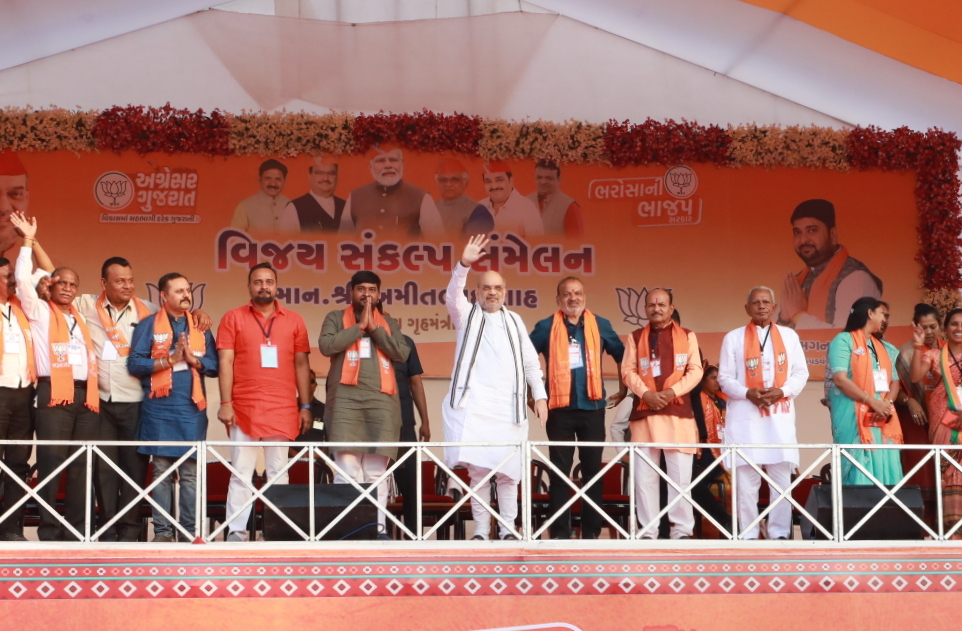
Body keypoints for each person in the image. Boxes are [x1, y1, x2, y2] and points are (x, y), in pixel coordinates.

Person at [442, 235, 548, 540]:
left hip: (507, 409)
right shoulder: (465, 315)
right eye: (486, 287)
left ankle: (506, 530)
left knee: (508, 473)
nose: (492, 292)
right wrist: (463, 265)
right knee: (478, 473)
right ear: (476, 292)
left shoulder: (515, 321)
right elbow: (451, 296)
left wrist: (539, 397)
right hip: (474, 407)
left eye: (497, 288)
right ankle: (481, 532)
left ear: (505, 292)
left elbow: (531, 364)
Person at [14, 215, 99, 541]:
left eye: (73, 284)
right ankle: (49, 531)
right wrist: (28, 242)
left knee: (82, 467)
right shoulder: (38, 310)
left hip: (85, 397)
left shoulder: (81, 314)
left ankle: (79, 531)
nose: (67, 287)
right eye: (61, 282)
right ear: (51, 286)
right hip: (53, 395)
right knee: (51, 464)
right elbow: (24, 279)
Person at [216, 262, 312, 542]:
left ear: (276, 285)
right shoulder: (233, 318)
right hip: (243, 406)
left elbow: (302, 365)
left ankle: (277, 532)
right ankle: (236, 532)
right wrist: (225, 401)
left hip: (282, 406)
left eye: (269, 281)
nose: (264, 286)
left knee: (278, 473)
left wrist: (304, 406)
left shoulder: (294, 320)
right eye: (258, 282)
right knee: (241, 472)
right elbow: (225, 361)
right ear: (249, 286)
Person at [529, 276, 625, 539]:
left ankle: (591, 532)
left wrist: (624, 388)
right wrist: (533, 396)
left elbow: (622, 355)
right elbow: (525, 358)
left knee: (592, 471)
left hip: (592, 409)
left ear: (584, 296)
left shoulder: (601, 325)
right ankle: (560, 533)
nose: (573, 298)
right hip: (558, 410)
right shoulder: (546, 326)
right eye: (567, 294)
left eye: (577, 293)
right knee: (560, 471)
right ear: (559, 300)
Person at [319, 271, 410, 538]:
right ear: (351, 293)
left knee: (374, 474)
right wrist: (358, 328)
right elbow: (327, 345)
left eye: (372, 289)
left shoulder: (389, 322)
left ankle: (375, 528)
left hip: (381, 405)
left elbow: (402, 353)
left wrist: (375, 329)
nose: (366, 294)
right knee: (347, 471)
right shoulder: (336, 318)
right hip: (345, 405)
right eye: (361, 289)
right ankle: (347, 530)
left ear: (379, 294)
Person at [128, 273, 218, 542]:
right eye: (178, 291)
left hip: (191, 409)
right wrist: (169, 360)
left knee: (190, 474)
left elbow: (213, 365)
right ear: (164, 296)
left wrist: (194, 360)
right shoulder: (148, 326)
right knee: (162, 472)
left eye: (188, 290)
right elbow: (134, 363)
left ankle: (190, 533)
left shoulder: (200, 327)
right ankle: (164, 533)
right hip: (159, 409)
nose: (185, 295)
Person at [718, 287, 809, 540]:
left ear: (774, 306)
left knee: (781, 481)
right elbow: (724, 379)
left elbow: (801, 374)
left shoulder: (789, 336)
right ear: (747, 308)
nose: (761, 306)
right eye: (755, 302)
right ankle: (748, 535)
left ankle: (779, 534)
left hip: (779, 419)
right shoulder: (733, 338)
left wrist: (782, 391)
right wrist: (748, 393)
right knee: (746, 482)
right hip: (745, 418)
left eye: (766, 302)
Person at [621, 288, 703, 539]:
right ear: (645, 309)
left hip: (678, 414)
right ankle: (648, 531)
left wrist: (670, 393)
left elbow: (696, 370)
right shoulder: (635, 336)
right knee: (645, 479)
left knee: (680, 479)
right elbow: (628, 371)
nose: (656, 308)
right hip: (646, 415)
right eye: (651, 304)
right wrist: (646, 394)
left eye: (661, 304)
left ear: (670, 308)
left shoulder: (688, 336)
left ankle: (682, 531)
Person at [827, 296, 902, 485]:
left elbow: (894, 382)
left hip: (880, 417)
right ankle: (857, 513)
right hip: (853, 416)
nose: (884, 320)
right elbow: (840, 379)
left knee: (885, 462)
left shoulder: (882, 347)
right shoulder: (843, 340)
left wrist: (885, 404)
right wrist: (872, 401)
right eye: (882, 314)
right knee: (858, 468)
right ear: (870, 313)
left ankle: (886, 512)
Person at [778, 199, 882, 329]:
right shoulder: (798, 280)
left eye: (812, 230)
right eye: (797, 232)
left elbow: (848, 339)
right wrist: (783, 318)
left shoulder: (855, 277)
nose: (803, 239)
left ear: (832, 235)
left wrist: (798, 316)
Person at [910, 308, 962, 535]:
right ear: (945, 328)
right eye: (954, 324)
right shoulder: (934, 354)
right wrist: (918, 346)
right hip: (943, 419)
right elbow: (914, 377)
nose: (959, 329)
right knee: (947, 473)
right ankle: (951, 530)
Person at [0, 256, 35, 541]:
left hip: (23, 395)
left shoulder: (20, 308)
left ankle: (11, 528)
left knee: (17, 465)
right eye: (6, 276)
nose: (12, 281)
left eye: (12, 275)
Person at [339, 145, 443, 238]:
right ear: (370, 166)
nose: (388, 165)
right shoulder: (355, 196)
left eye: (393, 160)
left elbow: (438, 244)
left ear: (402, 164)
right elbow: (342, 242)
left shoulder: (422, 197)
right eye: (380, 161)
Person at [896, 304, 942, 508]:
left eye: (933, 326)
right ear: (915, 327)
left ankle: (945, 528)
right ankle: (919, 526)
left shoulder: (948, 350)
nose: (929, 332)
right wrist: (910, 401)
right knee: (920, 469)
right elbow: (893, 389)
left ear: (941, 326)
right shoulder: (906, 352)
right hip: (915, 421)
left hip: (944, 421)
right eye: (924, 327)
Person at [392, 333, 431, 537]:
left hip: (404, 422)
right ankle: (370, 531)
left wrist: (425, 420)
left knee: (410, 482)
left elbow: (415, 382)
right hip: (371, 424)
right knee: (371, 479)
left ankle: (413, 535)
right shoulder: (361, 340)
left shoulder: (405, 342)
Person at [465, 162, 544, 238]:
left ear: (510, 180)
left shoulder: (527, 208)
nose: (494, 186)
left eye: (499, 180)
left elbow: (537, 244)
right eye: (488, 181)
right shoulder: (478, 207)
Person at [278, 156, 345, 233]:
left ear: (336, 177)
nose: (325, 178)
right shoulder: (294, 208)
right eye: (319, 173)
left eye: (331, 173)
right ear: (309, 176)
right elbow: (285, 243)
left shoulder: (347, 207)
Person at [230, 159, 291, 232]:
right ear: (260, 180)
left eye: (278, 179)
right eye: (268, 178)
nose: (273, 183)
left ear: (285, 182)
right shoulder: (245, 206)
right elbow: (235, 238)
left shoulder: (293, 206)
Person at [526, 160, 584, 237]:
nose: (543, 182)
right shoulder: (524, 202)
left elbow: (576, 242)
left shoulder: (569, 206)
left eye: (549, 178)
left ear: (559, 179)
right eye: (539, 178)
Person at [433, 158, 488, 235]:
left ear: (465, 183)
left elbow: (473, 244)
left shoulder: (478, 211)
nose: (448, 184)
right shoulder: (429, 207)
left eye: (454, 180)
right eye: (443, 180)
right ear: (437, 183)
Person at [0, 151, 30, 261]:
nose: (3, 208)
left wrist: (30, 238)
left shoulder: (43, 269)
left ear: (27, 199)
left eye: (16, 194)